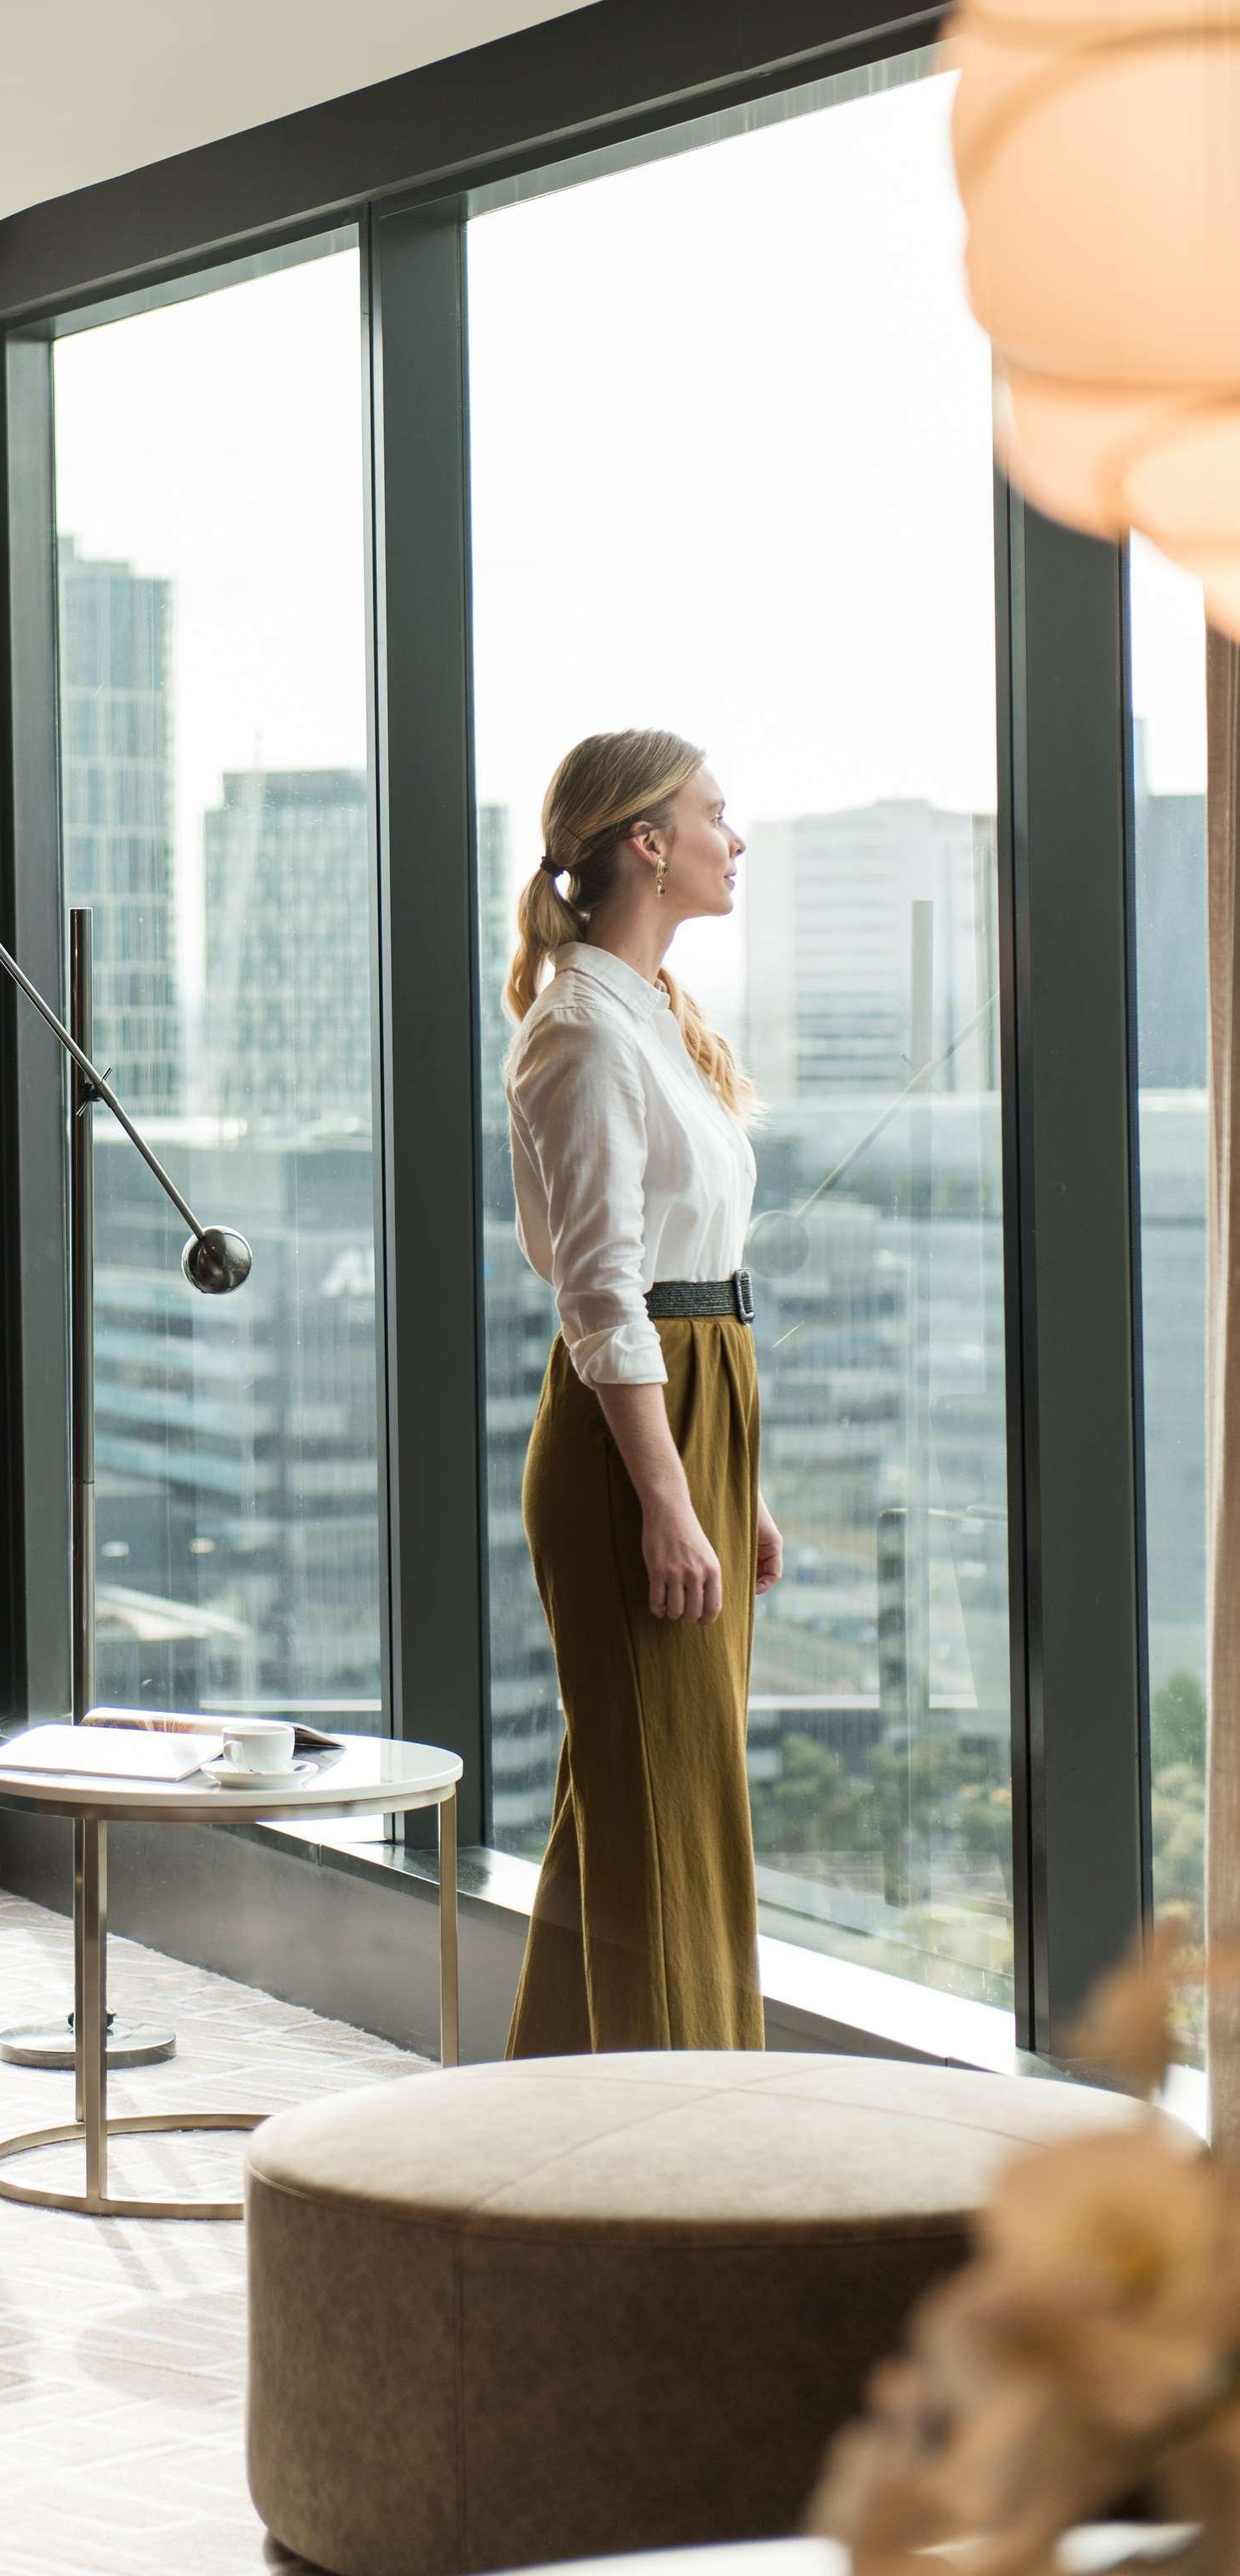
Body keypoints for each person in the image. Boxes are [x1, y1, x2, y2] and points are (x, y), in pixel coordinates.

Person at [501, 727, 783, 2056]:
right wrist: (670, 1503)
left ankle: (547, 2117)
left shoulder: (653, 1018)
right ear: (648, 844)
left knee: (639, 1788)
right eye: (716, 813)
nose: (739, 838)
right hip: (638, 1432)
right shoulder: (581, 1031)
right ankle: (687, 2141)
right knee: (669, 1802)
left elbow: (702, 1276)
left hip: (696, 1410)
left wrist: (743, 1488)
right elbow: (605, 1293)